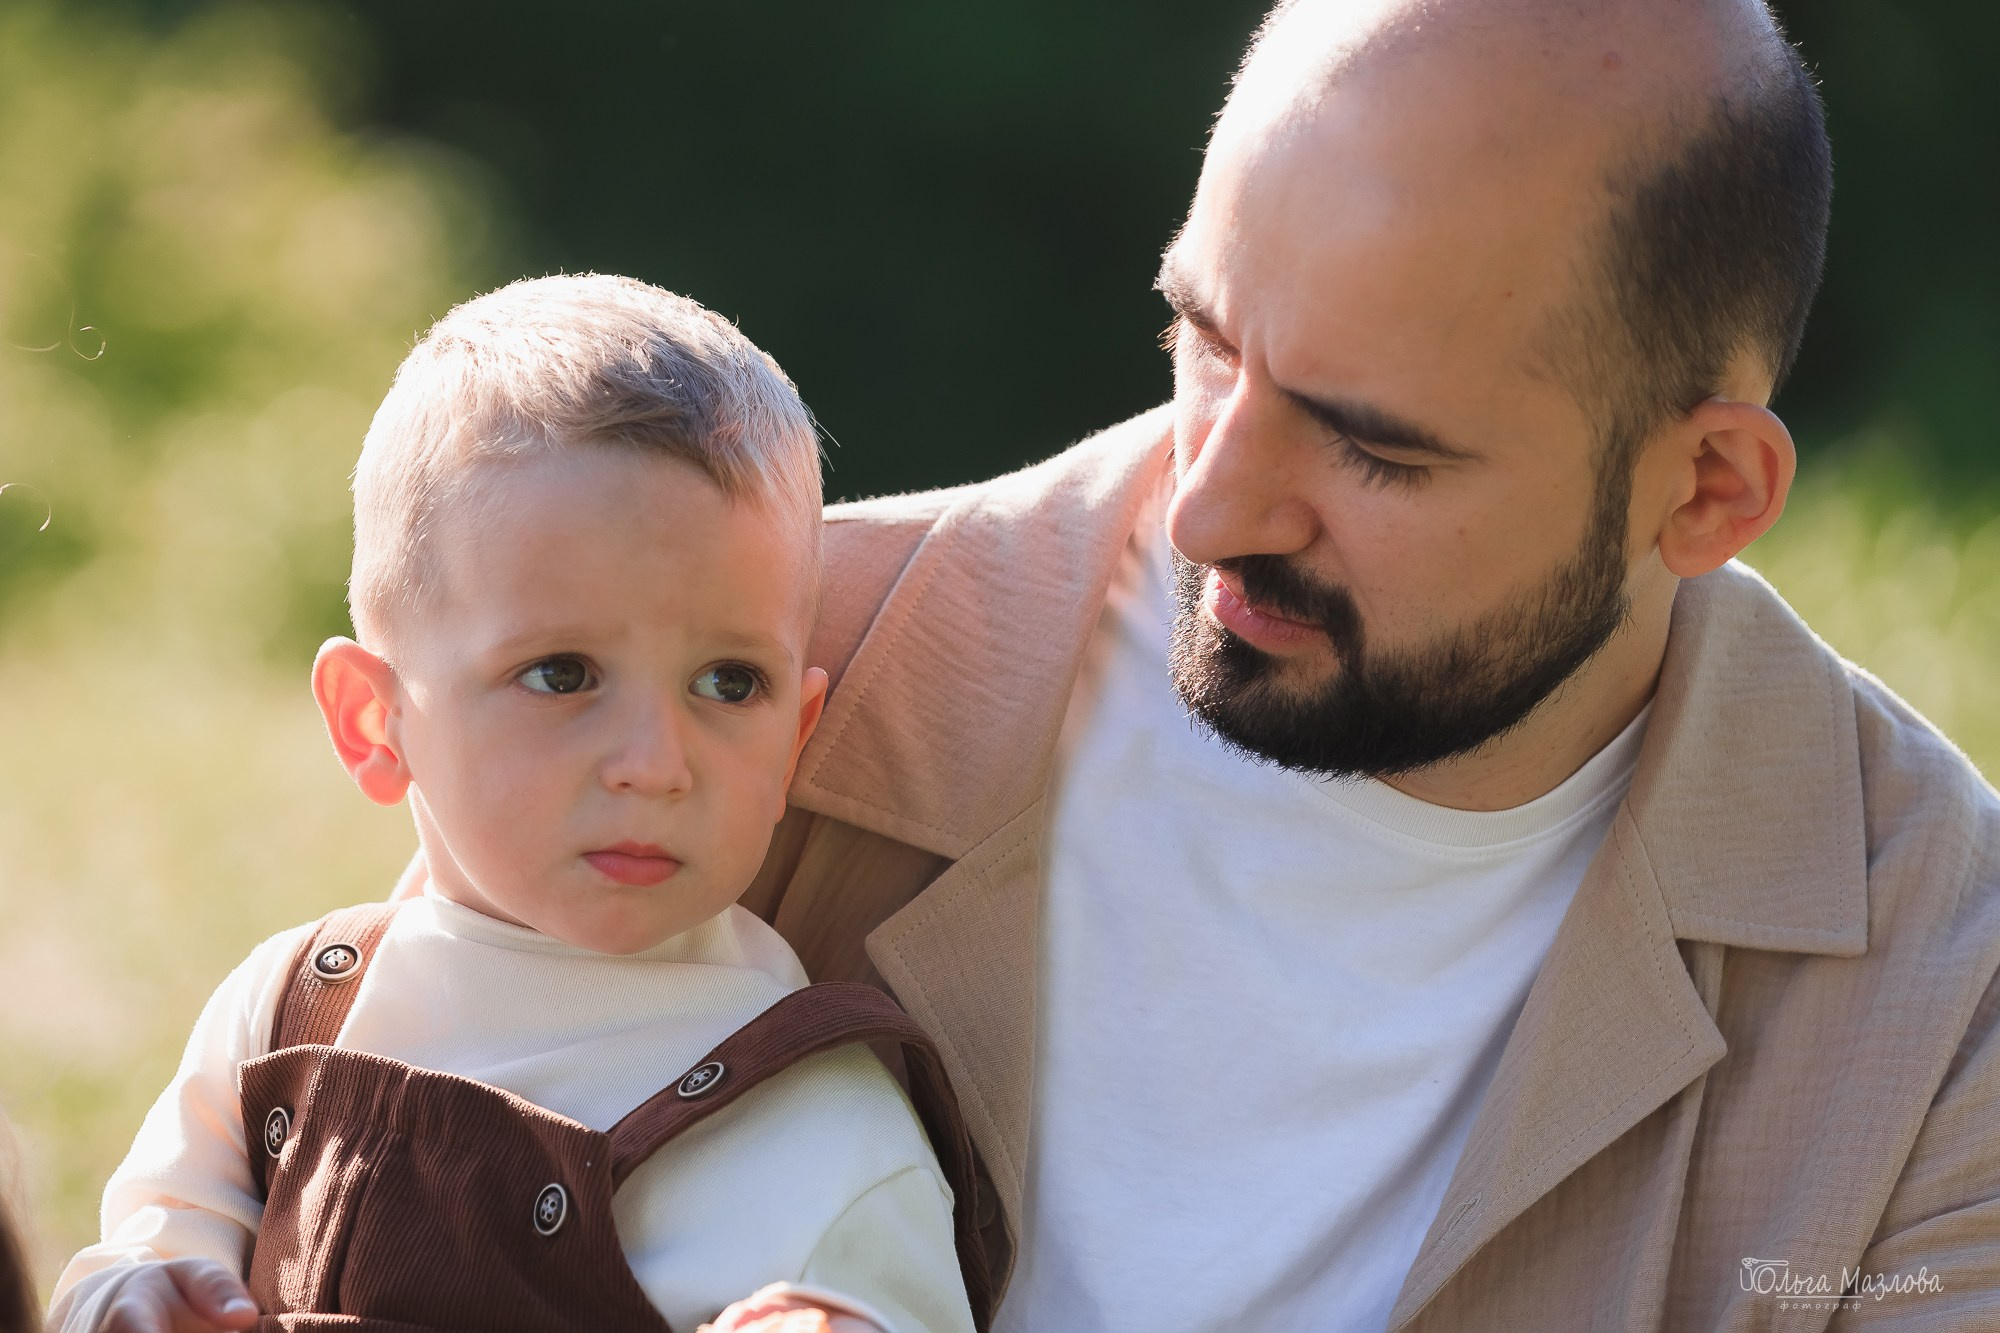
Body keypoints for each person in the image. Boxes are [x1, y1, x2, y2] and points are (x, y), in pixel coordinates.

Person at [739, 1, 2000, 1329]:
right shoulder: (734, 692)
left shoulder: (1944, 1026)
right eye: (1206, 345)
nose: (1207, 511)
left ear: (1707, 488)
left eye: (1374, 449)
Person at [48, 275, 982, 1333]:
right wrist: (132, 1295)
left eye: (728, 683)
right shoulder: (291, 1013)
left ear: (793, 742)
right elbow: (133, 1249)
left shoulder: (818, 1121)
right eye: (562, 673)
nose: (654, 762)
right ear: (373, 721)